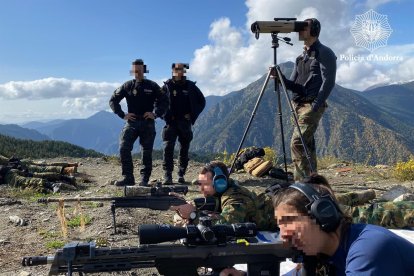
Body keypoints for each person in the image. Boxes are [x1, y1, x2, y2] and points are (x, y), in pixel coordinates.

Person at [272, 175, 414, 275]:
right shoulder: (324, 256)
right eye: (280, 227)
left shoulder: (368, 249)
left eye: (289, 222)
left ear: (322, 214)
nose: (284, 236)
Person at [278, 18, 336, 181]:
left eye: (304, 27)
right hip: (298, 104)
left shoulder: (324, 53)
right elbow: (294, 85)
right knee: (306, 144)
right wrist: (280, 78)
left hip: (311, 104)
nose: (300, 30)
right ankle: (313, 179)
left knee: (297, 142)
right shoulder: (300, 58)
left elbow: (329, 81)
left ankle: (301, 183)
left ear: (314, 31)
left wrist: (316, 104)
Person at [109, 59, 169, 187]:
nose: (137, 73)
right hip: (132, 122)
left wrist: (156, 114)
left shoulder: (152, 86)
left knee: (146, 152)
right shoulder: (127, 85)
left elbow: (165, 100)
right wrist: (122, 114)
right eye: (135, 71)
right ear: (132, 71)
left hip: (148, 123)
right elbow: (113, 100)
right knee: (123, 147)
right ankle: (128, 177)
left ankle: (144, 179)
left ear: (144, 70)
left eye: (140, 71)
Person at [170, 161, 277, 231]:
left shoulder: (235, 197)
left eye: (205, 184)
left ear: (219, 183)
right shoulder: (223, 192)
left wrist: (193, 215)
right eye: (200, 184)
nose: (201, 189)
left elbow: (226, 225)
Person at [161, 63, 205, 184]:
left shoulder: (190, 86)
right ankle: (167, 175)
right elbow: (158, 102)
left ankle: (181, 174)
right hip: (171, 123)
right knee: (168, 148)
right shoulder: (167, 86)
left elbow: (202, 101)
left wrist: (192, 114)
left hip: (185, 123)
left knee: (184, 149)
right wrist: (165, 116)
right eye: (177, 69)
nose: (179, 72)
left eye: (181, 69)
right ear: (173, 71)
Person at [0, 154, 78, 193]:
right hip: (12, 168)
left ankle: (53, 184)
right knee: (38, 173)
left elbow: (7, 161)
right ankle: (66, 178)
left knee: (24, 180)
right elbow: (7, 160)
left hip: (8, 172)